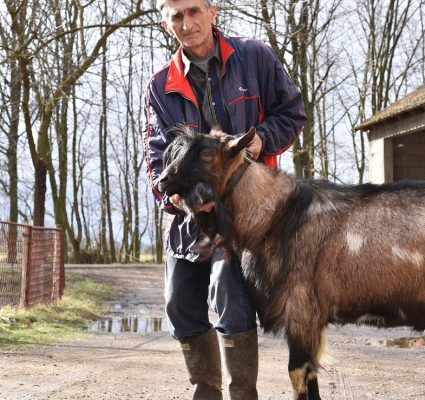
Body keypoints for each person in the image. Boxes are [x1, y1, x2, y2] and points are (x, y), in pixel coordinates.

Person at [143, 0, 306, 398]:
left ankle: (243, 394)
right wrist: (186, 203)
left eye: (194, 11)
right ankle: (206, 391)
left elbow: (292, 113)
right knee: (178, 302)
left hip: (246, 214)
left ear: (212, 11)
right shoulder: (160, 85)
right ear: (166, 23)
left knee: (229, 294)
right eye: (176, 16)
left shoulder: (254, 57)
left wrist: (259, 142)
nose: (187, 23)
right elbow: (155, 159)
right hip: (191, 217)